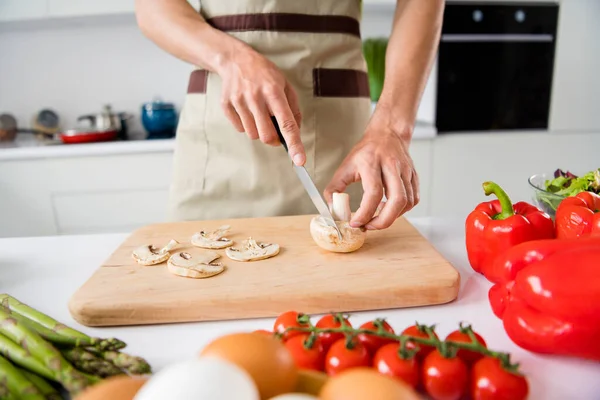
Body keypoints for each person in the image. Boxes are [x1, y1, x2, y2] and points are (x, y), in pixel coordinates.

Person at [135, 0, 443, 230]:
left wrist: (393, 127)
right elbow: (151, 8)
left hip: (335, 141)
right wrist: (229, 58)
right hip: (217, 142)